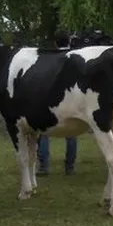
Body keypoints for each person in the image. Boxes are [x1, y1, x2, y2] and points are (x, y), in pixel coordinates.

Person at [38, 31, 78, 175]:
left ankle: (43, 166)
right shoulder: (75, 58)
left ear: (55, 43)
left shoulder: (50, 59)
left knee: (43, 133)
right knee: (71, 133)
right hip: (71, 99)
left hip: (50, 99)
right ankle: (70, 166)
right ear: (68, 42)